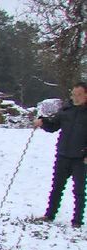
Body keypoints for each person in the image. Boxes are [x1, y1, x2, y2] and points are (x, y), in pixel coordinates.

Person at [34, 81, 87, 228]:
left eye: (79, 95)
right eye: (74, 94)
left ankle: (77, 221)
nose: (75, 98)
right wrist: (42, 122)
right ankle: (50, 214)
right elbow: (53, 125)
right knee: (57, 186)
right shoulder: (66, 110)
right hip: (63, 154)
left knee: (79, 190)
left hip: (80, 158)